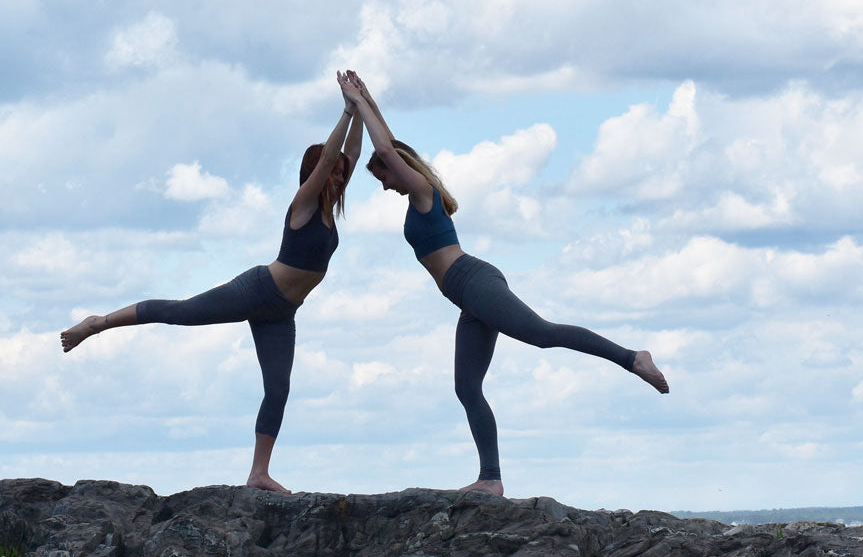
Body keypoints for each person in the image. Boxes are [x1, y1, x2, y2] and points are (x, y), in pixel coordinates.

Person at [341, 70, 668, 496]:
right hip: (467, 295)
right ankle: (490, 479)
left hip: (473, 282)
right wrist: (365, 97)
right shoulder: (419, 191)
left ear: (396, 169)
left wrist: (358, 104)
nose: (384, 185)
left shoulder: (420, 190)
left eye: (382, 176)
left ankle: (632, 357)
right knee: (466, 387)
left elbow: (387, 147)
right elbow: (390, 142)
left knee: (543, 334)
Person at [60, 71, 364, 493]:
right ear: (316, 174)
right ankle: (98, 322)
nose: (339, 177)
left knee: (278, 388)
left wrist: (361, 106)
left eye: (341, 175)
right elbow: (332, 156)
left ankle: (259, 473)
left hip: (282, 312)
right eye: (332, 173)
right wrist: (346, 110)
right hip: (258, 289)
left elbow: (346, 154)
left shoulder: (332, 206)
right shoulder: (304, 204)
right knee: (181, 313)